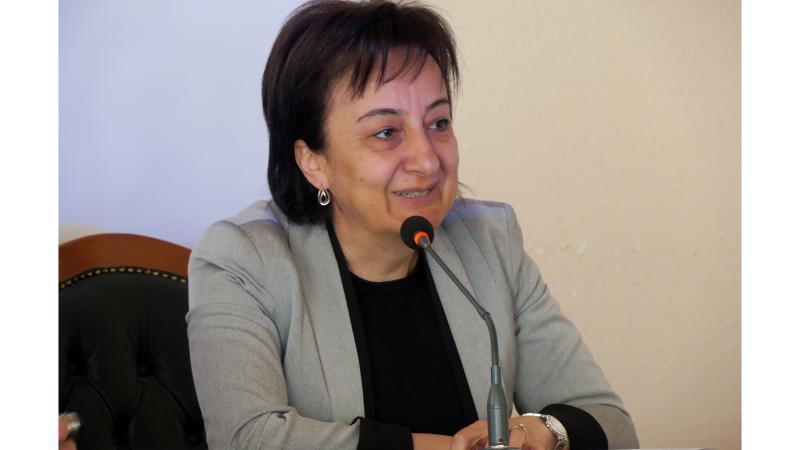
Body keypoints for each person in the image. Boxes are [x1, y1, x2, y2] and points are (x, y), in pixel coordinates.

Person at [187, 1, 639, 449]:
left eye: (438, 123)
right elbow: (247, 438)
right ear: (313, 161)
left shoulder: (490, 241)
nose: (427, 161)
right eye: (386, 132)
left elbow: (612, 425)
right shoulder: (244, 258)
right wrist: (438, 448)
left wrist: (545, 431)